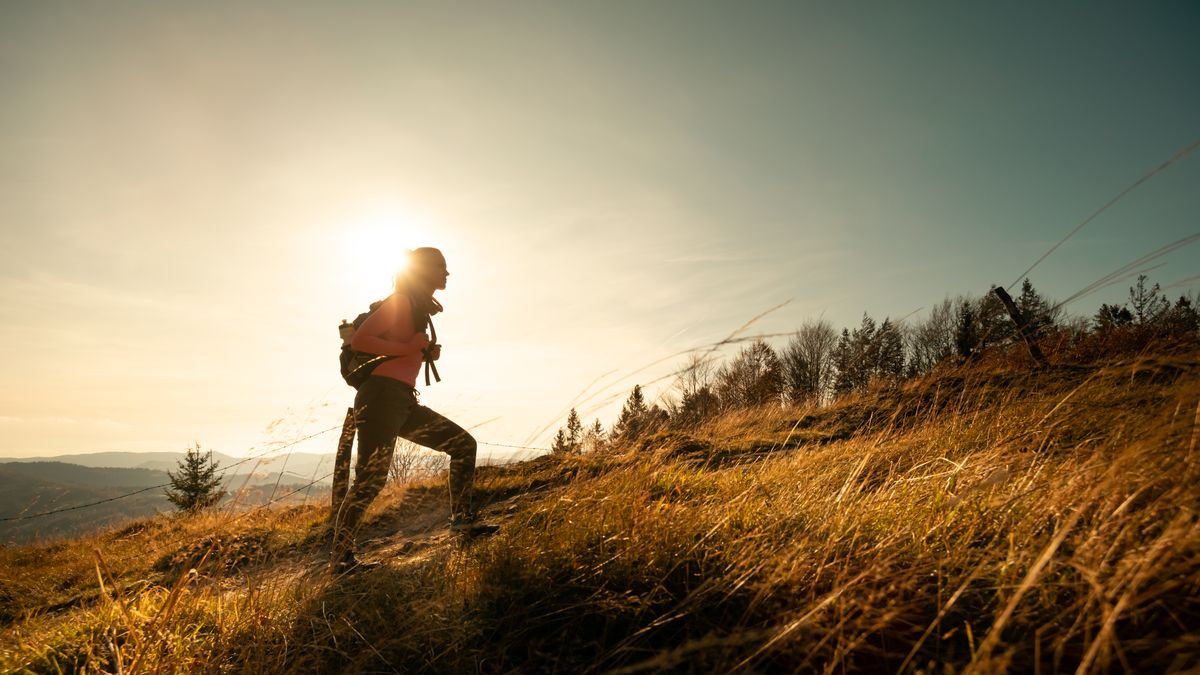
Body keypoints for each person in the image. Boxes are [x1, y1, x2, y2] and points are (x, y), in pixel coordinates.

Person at [331, 247, 496, 573]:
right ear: (423, 270)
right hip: (381, 398)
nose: (446, 274)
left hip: (403, 400)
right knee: (370, 481)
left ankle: (462, 525)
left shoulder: (416, 307)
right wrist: (408, 348)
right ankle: (340, 560)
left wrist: (423, 354)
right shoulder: (402, 301)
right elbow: (363, 339)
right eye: (441, 268)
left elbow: (395, 351)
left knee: (463, 445)